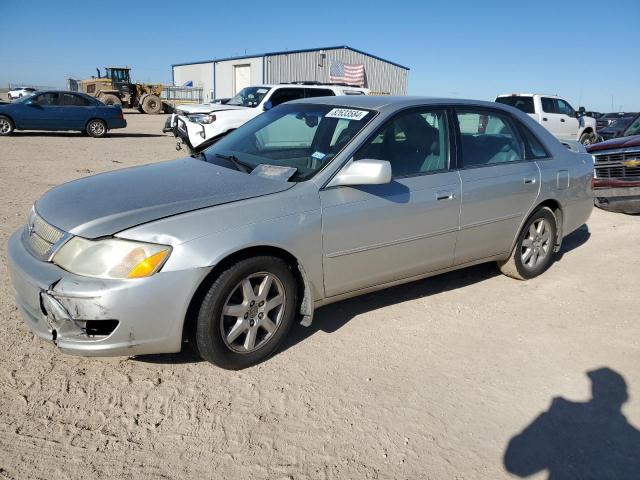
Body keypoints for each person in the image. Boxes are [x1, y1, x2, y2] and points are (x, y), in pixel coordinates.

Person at [504, 368, 640, 479]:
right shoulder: (634, 441)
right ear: (624, 399)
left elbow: (516, 464)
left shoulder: (567, 428)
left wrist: (550, 419)